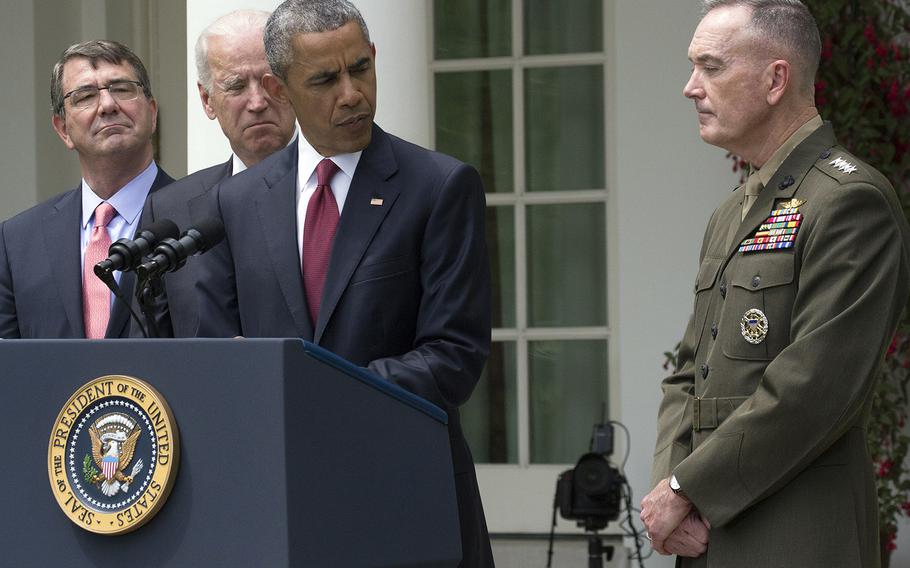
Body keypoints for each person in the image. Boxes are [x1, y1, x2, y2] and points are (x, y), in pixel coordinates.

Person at [194, 0, 494, 565]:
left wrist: (313, 390)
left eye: (360, 67)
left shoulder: (439, 186)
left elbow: (455, 355)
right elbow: (221, 358)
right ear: (281, 90)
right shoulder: (236, 202)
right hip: (279, 502)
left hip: (405, 495)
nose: (351, 92)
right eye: (325, 79)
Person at [640, 1, 910, 565]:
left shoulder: (848, 202)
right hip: (706, 535)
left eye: (711, 67)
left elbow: (812, 389)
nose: (691, 87)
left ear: (775, 80)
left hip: (795, 534)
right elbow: (688, 371)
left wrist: (687, 490)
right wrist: (670, 488)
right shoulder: (732, 212)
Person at [139, 9, 297, 337]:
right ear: (207, 100)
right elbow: (153, 341)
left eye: (271, 81)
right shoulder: (170, 209)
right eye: (237, 86)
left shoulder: (333, 190)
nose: (257, 101)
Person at [0, 40, 173, 339]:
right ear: (63, 129)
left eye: (122, 89)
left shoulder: (200, 216)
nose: (107, 105)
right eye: (85, 96)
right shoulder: (17, 242)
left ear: (152, 113)